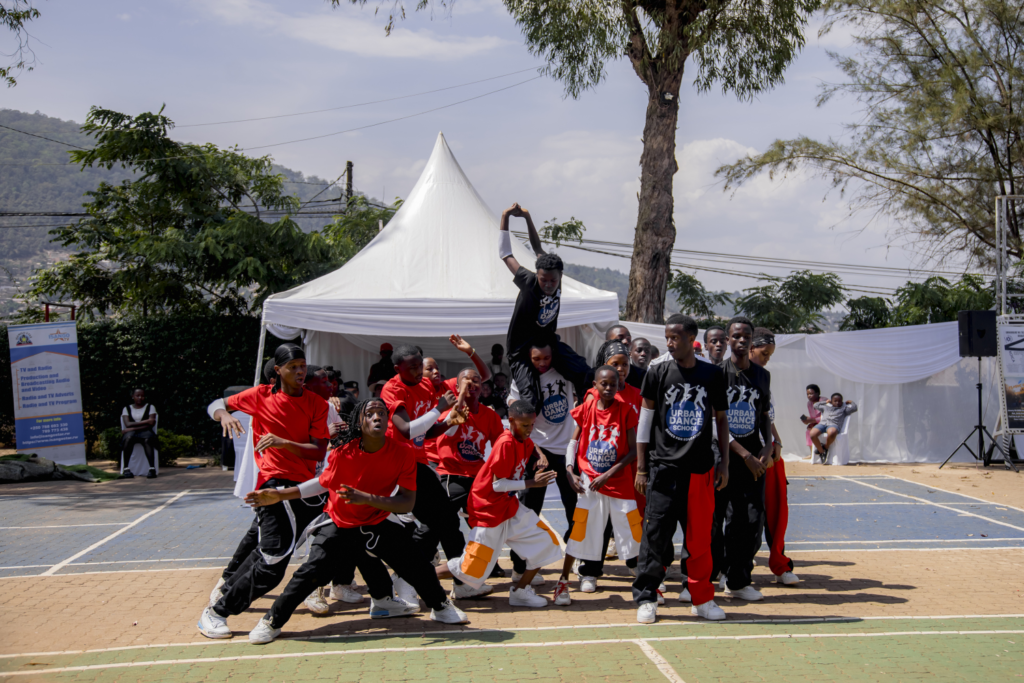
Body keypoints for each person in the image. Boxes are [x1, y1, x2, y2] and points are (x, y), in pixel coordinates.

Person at [241, 398, 469, 644]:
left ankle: (440, 606)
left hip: (376, 520)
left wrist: (366, 499)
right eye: (370, 413)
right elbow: (322, 483)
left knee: (416, 564)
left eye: (382, 413)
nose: (377, 416)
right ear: (359, 422)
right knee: (309, 575)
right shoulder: (343, 452)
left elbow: (406, 503)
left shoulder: (403, 452)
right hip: (340, 523)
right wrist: (280, 494)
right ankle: (272, 621)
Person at [197, 344, 330, 639]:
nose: (300, 371)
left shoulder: (316, 404)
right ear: (278, 370)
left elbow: (317, 451)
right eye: (293, 367)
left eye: (302, 365)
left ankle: (225, 591)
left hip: (303, 490)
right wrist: (224, 415)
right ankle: (216, 613)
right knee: (271, 565)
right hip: (272, 487)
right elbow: (216, 404)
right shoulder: (260, 396)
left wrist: (284, 443)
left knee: (269, 553)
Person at [632, 314, 729, 624]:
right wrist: (642, 467)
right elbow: (645, 420)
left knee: (700, 539)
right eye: (667, 338)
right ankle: (647, 597)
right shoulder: (657, 371)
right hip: (663, 469)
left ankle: (701, 598)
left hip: (700, 470)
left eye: (675, 338)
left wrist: (724, 462)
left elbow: (721, 419)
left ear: (691, 338)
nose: (669, 343)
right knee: (655, 536)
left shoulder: (712, 374)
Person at [380, 345, 484, 601]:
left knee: (446, 521)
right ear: (398, 369)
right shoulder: (393, 389)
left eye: (420, 366)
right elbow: (406, 430)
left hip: (417, 463)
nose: (418, 371)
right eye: (412, 367)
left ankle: (461, 581)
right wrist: (439, 409)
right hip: (395, 466)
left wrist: (448, 422)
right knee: (431, 524)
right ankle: (404, 577)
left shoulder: (426, 386)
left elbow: (425, 432)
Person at [437, 399, 563, 607]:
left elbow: (532, 444)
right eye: (525, 425)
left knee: (546, 544)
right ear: (511, 421)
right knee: (469, 568)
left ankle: (520, 592)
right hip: (488, 510)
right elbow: (497, 485)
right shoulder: (505, 443)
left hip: (508, 507)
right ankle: (415, 578)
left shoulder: (523, 438)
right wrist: (532, 483)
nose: (530, 429)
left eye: (532, 425)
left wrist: (540, 455)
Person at [554, 366, 640, 605]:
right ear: (595, 385)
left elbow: (633, 450)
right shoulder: (586, 408)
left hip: (619, 483)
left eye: (614, 384)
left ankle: (648, 581)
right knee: (581, 531)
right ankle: (565, 581)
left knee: (633, 531)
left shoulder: (625, 410)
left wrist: (609, 474)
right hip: (589, 483)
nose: (609, 388)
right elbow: (573, 442)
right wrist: (570, 470)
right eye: (604, 384)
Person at [498, 202, 590, 409]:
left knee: (585, 373)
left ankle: (584, 414)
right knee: (532, 401)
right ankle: (517, 414)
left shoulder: (554, 273)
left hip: (547, 341)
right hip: (521, 349)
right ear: (537, 276)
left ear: (560, 276)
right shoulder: (529, 281)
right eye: (543, 280)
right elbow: (505, 254)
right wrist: (505, 216)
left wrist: (527, 217)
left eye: (553, 281)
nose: (548, 285)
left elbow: (538, 248)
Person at [507, 341, 578, 585]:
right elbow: (514, 408)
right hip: (537, 450)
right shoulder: (522, 378)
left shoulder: (566, 371)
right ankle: (520, 566)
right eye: (536, 358)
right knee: (528, 511)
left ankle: (577, 559)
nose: (542, 363)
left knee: (575, 510)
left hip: (565, 449)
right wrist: (534, 449)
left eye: (546, 358)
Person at [576, 340, 643, 588]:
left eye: (625, 364)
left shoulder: (637, 395)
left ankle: (637, 565)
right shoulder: (594, 395)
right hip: (598, 471)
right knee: (596, 523)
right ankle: (590, 570)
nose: (621, 369)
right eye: (615, 364)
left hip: (628, 470)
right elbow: (583, 434)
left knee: (630, 520)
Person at [434, 367, 507, 591]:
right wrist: (459, 401)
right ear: (457, 386)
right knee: (442, 524)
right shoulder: (449, 411)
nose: (472, 384)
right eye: (466, 381)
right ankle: (430, 569)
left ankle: (483, 564)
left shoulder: (489, 415)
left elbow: (501, 444)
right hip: (452, 475)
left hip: (477, 476)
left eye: (476, 381)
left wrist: (498, 472)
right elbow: (447, 433)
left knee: (484, 523)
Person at [717, 316, 774, 602]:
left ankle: (737, 581)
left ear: (751, 342)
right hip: (724, 459)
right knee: (718, 522)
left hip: (753, 461)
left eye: (746, 337)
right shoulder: (716, 373)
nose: (741, 340)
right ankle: (715, 573)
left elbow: (764, 416)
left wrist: (768, 446)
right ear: (728, 340)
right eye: (736, 336)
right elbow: (714, 423)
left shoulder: (762, 375)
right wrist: (743, 454)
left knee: (751, 520)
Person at [749, 328, 799, 587]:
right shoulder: (729, 376)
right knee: (746, 516)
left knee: (777, 513)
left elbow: (768, 418)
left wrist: (775, 443)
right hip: (746, 457)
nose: (767, 359)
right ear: (750, 349)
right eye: (764, 354)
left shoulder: (764, 379)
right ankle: (733, 568)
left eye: (770, 355)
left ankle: (780, 565)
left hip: (769, 457)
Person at [120, 388, 158, 479]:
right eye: (137, 395)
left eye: (142, 396)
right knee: (128, 439)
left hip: (146, 431)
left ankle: (152, 469)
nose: (140, 397)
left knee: (147, 440)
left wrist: (132, 428)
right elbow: (127, 424)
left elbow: (151, 423)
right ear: (133, 396)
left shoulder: (150, 407)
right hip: (132, 433)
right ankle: (126, 468)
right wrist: (147, 421)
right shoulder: (126, 408)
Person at [809, 393, 858, 461]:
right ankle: (822, 452)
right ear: (831, 401)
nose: (837, 403)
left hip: (833, 425)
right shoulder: (826, 407)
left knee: (832, 432)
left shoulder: (844, 409)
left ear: (842, 401)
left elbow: (854, 408)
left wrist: (851, 402)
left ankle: (825, 447)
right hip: (822, 424)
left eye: (839, 401)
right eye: (835, 401)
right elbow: (815, 405)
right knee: (812, 433)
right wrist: (825, 402)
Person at [801, 384, 822, 458]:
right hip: (817, 424)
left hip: (826, 424)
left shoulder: (823, 401)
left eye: (811, 394)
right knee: (808, 430)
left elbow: (826, 418)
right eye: (807, 394)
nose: (809, 396)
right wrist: (808, 421)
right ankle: (812, 453)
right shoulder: (809, 403)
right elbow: (813, 417)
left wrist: (812, 420)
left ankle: (820, 451)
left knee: (811, 430)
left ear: (817, 393)